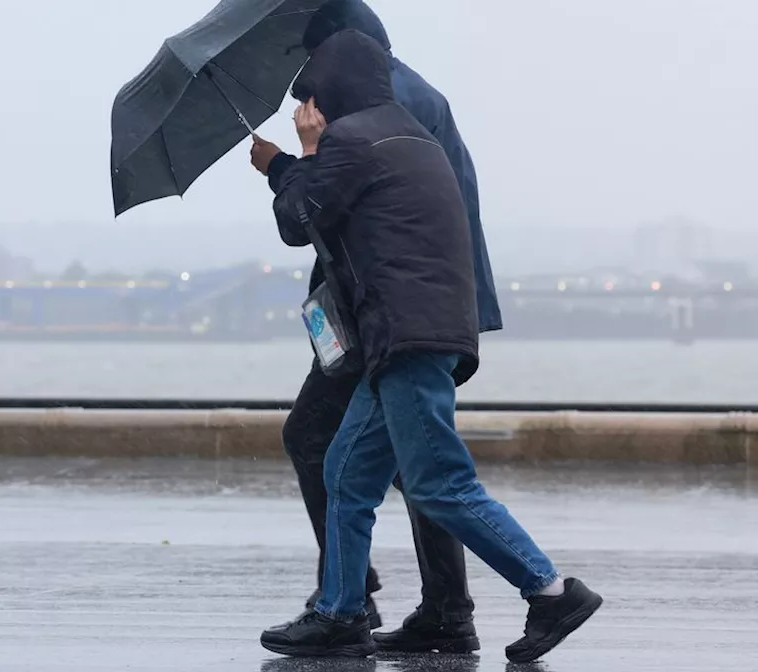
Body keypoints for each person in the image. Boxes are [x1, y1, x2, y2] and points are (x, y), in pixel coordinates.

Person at [258, 29, 603, 662]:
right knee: (345, 470)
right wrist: (298, 162)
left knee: (441, 483)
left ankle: (552, 591)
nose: (310, 104)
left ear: (333, 89)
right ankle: (339, 612)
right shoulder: (409, 134)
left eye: (313, 92)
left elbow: (299, 221)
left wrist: (299, 155)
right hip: (415, 331)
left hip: (405, 335)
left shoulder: (351, 140)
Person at [251, 0, 496, 654]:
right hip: (411, 305)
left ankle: (352, 599)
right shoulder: (398, 93)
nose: (305, 74)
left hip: (392, 309)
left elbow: (327, 216)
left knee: (325, 438)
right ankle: (430, 606)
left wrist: (291, 165)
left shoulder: (372, 109)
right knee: (405, 455)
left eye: (311, 56)